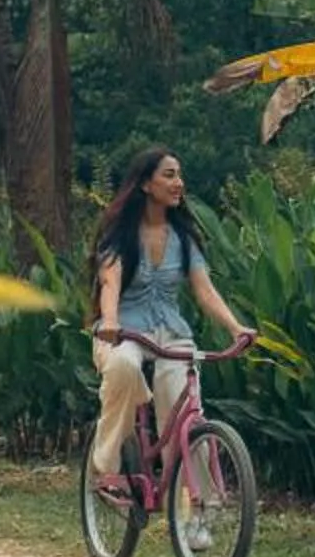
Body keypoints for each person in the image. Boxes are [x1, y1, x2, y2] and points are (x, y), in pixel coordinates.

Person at [85, 146, 251, 487]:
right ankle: (106, 462)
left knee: (187, 417)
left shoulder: (184, 238)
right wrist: (111, 321)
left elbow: (204, 291)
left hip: (171, 335)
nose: (179, 183)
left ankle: (198, 506)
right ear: (146, 184)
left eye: (179, 175)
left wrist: (236, 328)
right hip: (125, 333)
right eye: (169, 175)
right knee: (123, 366)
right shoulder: (121, 235)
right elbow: (110, 281)